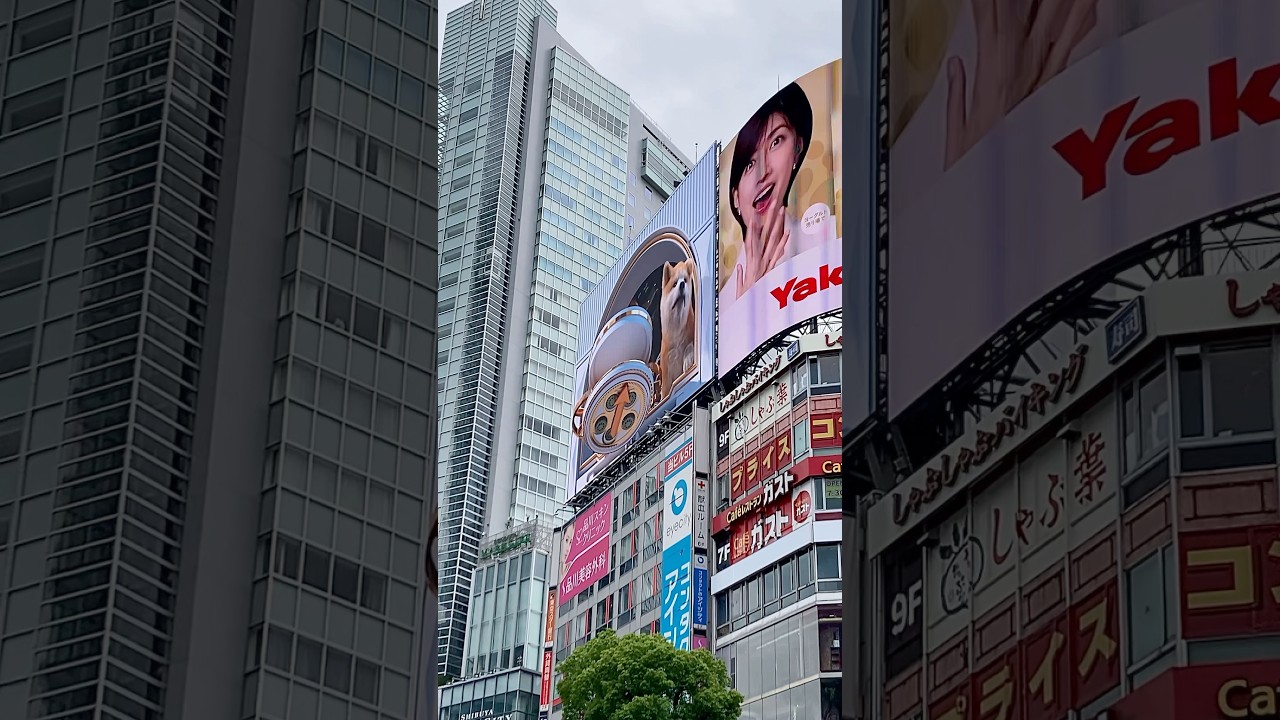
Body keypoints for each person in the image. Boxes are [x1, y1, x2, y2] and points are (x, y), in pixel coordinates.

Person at [722, 82, 822, 300]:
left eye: (776, 142)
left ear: (797, 148)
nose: (762, 172)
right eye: (749, 164)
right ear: (735, 197)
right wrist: (747, 303)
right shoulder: (722, 306)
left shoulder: (829, 239)